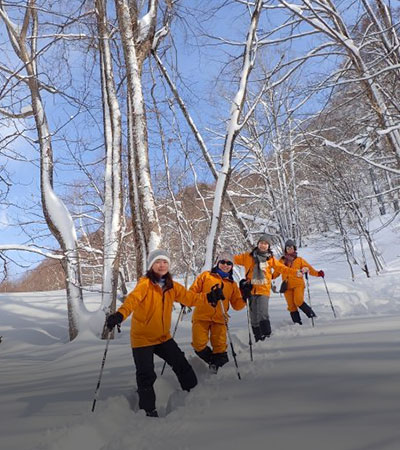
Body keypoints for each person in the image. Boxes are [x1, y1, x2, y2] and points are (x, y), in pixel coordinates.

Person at [106, 249, 224, 418]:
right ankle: (148, 411)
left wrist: (209, 297)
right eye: (158, 262)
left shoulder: (172, 286)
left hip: (163, 337)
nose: (162, 265)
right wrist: (119, 315)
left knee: (181, 364)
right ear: (151, 265)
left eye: (165, 262)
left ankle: (194, 394)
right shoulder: (145, 284)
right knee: (146, 374)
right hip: (142, 339)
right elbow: (132, 301)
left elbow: (190, 298)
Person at [234, 234, 304, 342]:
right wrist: (222, 258)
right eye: (261, 243)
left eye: (266, 244)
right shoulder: (247, 257)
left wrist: (295, 272)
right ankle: (258, 338)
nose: (263, 245)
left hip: (263, 290)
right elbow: (231, 260)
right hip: (250, 290)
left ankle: (267, 337)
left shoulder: (270, 259)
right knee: (253, 317)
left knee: (263, 314)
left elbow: (282, 268)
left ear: (268, 246)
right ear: (258, 244)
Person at [189, 250, 246, 373]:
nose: (225, 265)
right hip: (201, 316)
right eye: (223, 262)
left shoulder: (232, 284)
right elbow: (192, 293)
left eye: (229, 263)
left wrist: (245, 297)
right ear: (218, 262)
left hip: (220, 319)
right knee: (198, 344)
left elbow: (237, 305)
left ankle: (221, 370)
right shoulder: (206, 276)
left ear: (232, 266)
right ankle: (212, 361)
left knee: (220, 347)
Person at [272, 239, 324, 324]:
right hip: (286, 286)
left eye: (291, 247)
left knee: (298, 301)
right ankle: (297, 323)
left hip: (298, 284)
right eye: (288, 248)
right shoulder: (282, 261)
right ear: (285, 249)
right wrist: (269, 276)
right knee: (291, 306)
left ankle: (312, 317)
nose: (289, 249)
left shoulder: (299, 260)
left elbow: (309, 269)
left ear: (294, 248)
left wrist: (318, 273)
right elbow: (276, 272)